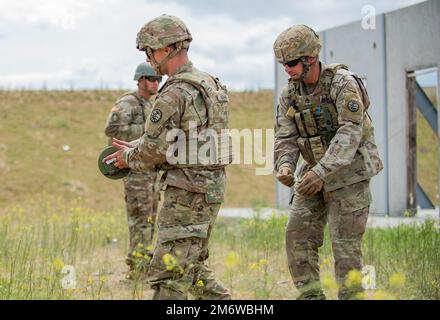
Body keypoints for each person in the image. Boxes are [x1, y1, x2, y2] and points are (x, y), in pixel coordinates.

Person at [103, 14, 232, 300]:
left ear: (166, 49)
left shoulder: (174, 93)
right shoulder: (210, 83)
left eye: (150, 51)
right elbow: (188, 137)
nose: (149, 59)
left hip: (186, 192)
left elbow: (156, 150)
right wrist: (138, 143)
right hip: (210, 188)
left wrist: (130, 157)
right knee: (192, 266)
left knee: (169, 276)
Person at [273, 24, 383, 300]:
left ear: (309, 58)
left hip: (350, 176)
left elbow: (350, 132)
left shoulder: (343, 83)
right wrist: (285, 165)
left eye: (290, 63)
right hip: (313, 175)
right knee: (297, 237)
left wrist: (322, 171)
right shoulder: (290, 93)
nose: (286, 70)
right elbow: (285, 135)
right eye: (282, 64)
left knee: (346, 250)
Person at [104, 63, 162, 278]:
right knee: (139, 219)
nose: (156, 83)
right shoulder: (127, 103)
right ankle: (136, 268)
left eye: (158, 79)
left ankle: (143, 264)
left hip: (150, 172)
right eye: (151, 79)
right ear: (140, 80)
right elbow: (111, 131)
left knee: (150, 219)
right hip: (135, 172)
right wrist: (147, 134)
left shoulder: (150, 104)